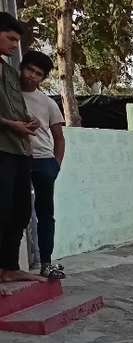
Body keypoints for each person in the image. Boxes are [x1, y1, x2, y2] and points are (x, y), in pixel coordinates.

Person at [0, 13, 44, 287]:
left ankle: (9, 268)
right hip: (2, 148)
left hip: (20, 150)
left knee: (20, 211)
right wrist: (10, 124)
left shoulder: (9, 71)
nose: (15, 45)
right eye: (10, 38)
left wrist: (28, 120)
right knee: (2, 209)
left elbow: (15, 106)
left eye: (17, 40)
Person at [20, 50, 65, 279]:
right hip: (17, 158)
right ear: (21, 67)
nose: (32, 76)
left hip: (44, 161)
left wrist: (56, 165)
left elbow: (59, 138)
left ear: (43, 78)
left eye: (38, 74)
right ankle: (12, 265)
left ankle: (46, 263)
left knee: (45, 214)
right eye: (29, 69)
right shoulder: (9, 95)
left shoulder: (48, 103)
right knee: (17, 211)